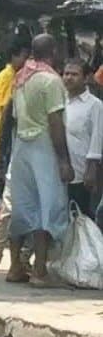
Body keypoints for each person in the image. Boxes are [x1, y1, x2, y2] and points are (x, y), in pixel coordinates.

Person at [0, 34, 71, 286]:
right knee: (47, 207)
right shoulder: (51, 81)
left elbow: (11, 117)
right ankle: (39, 270)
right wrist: (64, 160)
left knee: (22, 208)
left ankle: (15, 266)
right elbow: (55, 122)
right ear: (53, 51)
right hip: (44, 148)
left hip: (21, 148)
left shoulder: (20, 79)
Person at [0, 38, 31, 272]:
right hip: (7, 152)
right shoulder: (8, 78)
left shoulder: (10, 79)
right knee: (6, 207)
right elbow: (1, 112)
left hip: (17, 155)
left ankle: (17, 257)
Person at [62, 58, 103, 219]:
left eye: (74, 74)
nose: (69, 78)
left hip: (82, 173)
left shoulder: (95, 105)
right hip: (59, 172)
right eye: (66, 74)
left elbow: (97, 138)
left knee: (82, 219)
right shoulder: (59, 100)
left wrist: (91, 169)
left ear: (86, 78)